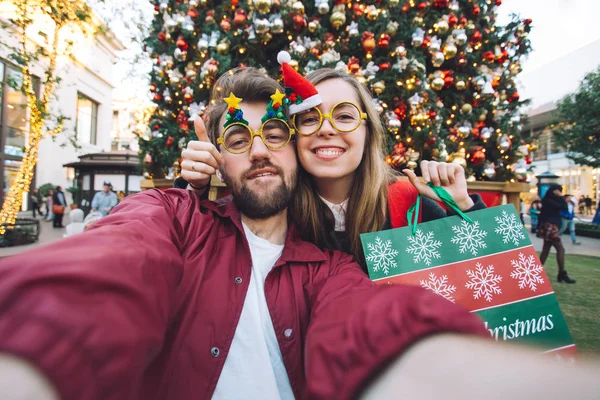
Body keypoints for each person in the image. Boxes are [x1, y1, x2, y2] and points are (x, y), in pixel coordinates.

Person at [1, 67, 599, 400]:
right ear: (215, 157)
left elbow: (372, 320)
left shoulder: (335, 261)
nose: (259, 150)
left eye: (275, 135)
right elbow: (115, 260)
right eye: (237, 140)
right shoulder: (177, 218)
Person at [179, 54, 485, 269]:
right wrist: (194, 187)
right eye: (310, 119)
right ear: (293, 135)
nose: (327, 128)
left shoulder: (409, 205)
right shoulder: (278, 207)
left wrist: (465, 208)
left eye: (344, 116)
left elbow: (492, 278)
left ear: (368, 132)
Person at [537, 184, 575, 283]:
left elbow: (564, 208)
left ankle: (536, 272)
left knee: (546, 249)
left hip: (551, 226)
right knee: (560, 249)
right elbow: (564, 207)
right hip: (550, 227)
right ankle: (561, 273)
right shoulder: (548, 201)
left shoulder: (549, 200)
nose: (559, 192)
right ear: (554, 190)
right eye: (558, 190)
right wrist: (562, 197)